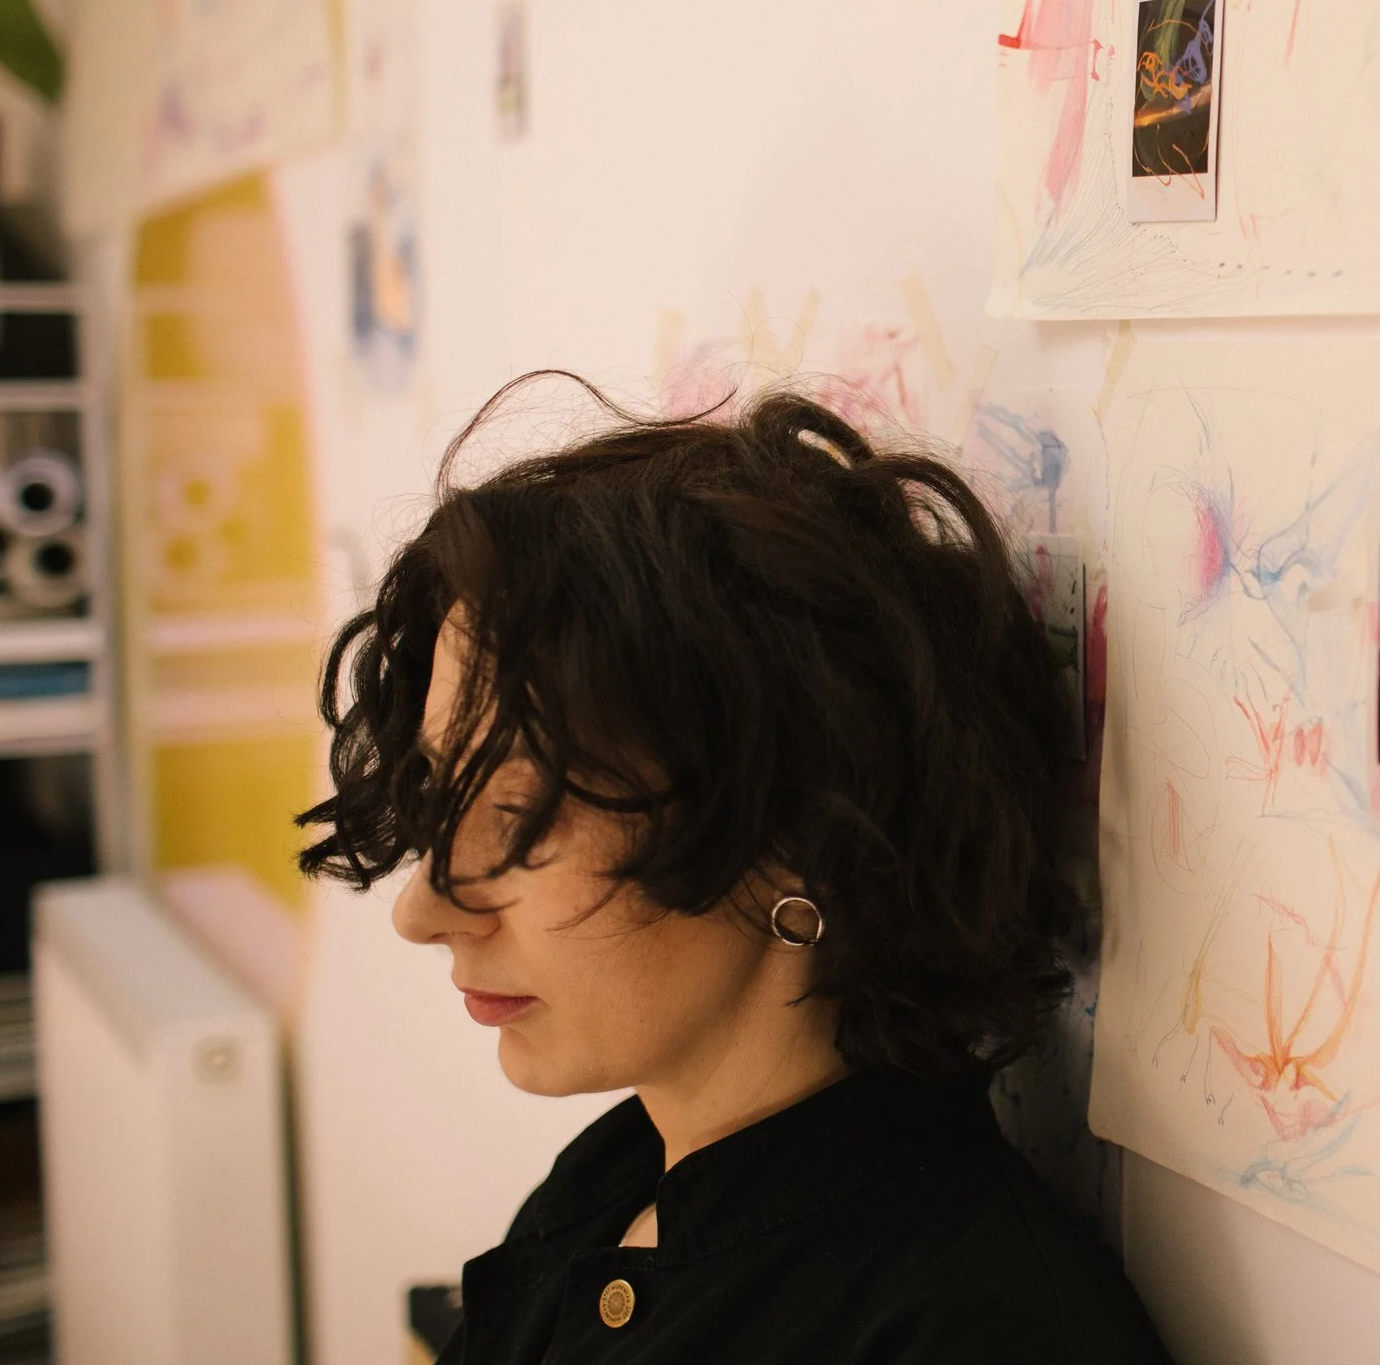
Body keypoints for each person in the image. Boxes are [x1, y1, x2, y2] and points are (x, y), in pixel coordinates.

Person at [297, 379, 1173, 1364]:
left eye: (516, 816)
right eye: (439, 797)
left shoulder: (971, 1330)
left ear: (795, 832)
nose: (422, 910)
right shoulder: (614, 1184)